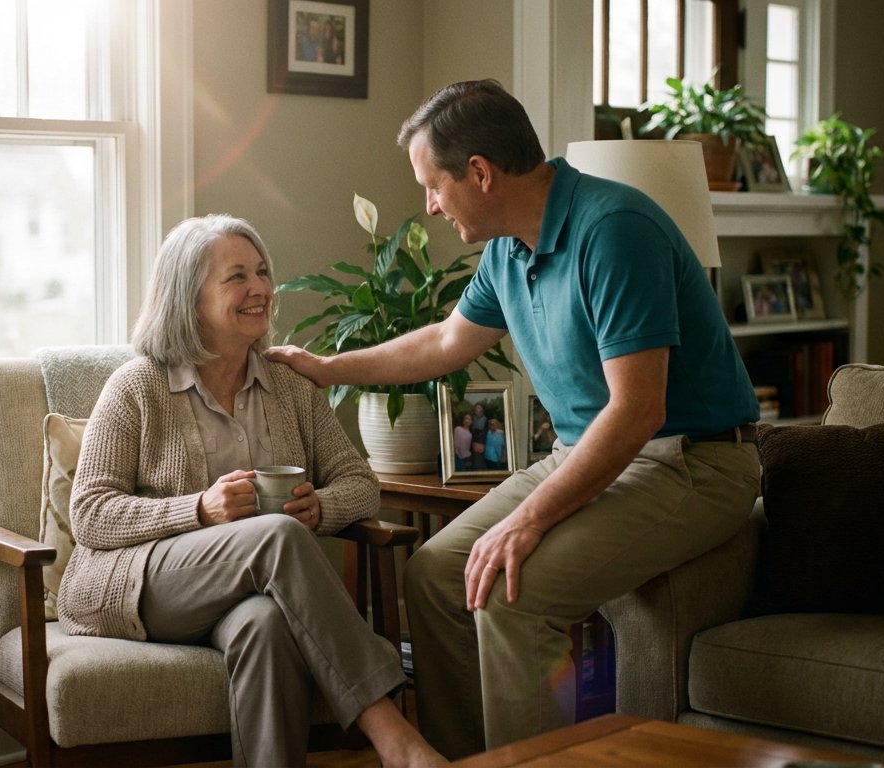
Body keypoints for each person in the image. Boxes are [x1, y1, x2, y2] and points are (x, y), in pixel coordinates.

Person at [266, 79, 761, 758]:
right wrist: (327, 368)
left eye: (433, 186)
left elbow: (638, 410)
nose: (430, 206)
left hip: (693, 462)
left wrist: (527, 520)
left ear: (480, 173)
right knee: (435, 576)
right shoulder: (508, 247)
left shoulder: (615, 231)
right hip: (586, 452)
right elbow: (446, 342)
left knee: (510, 591)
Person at [56, 214, 445, 768]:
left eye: (261, 272)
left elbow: (360, 482)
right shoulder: (137, 385)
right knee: (276, 536)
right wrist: (198, 509)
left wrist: (322, 506)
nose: (259, 287)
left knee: (267, 626)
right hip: (138, 585)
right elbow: (91, 513)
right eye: (236, 276)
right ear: (190, 299)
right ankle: (393, 734)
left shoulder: (289, 386)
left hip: (247, 592)